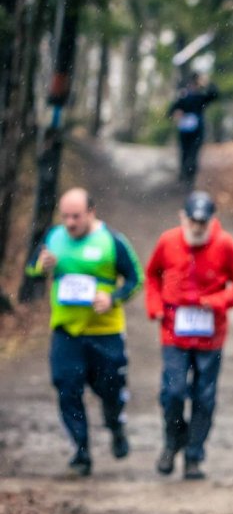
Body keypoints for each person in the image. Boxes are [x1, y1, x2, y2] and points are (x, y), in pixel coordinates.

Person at [24, 188, 143, 477]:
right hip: (66, 331)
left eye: (76, 216)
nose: (70, 223)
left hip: (105, 332)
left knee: (110, 389)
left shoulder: (112, 241)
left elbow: (136, 280)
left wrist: (112, 298)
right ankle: (81, 450)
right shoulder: (53, 237)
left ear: (91, 212)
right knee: (67, 387)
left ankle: (115, 426)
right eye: (65, 216)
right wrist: (42, 267)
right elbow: (30, 271)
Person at [144, 191, 233, 480]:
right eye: (192, 221)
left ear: (212, 221)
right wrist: (155, 306)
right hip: (173, 332)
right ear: (183, 217)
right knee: (173, 392)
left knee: (205, 398)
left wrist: (219, 301)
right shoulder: (168, 241)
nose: (197, 228)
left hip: (210, 335)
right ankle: (173, 440)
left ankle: (194, 456)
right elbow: (152, 275)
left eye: (203, 223)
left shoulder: (224, 244)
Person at [168, 73, 218, 187]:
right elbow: (172, 110)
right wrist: (176, 113)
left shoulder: (200, 97)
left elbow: (214, 95)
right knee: (185, 153)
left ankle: (190, 177)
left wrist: (208, 83)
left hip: (197, 131)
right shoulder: (183, 96)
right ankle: (184, 176)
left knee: (193, 153)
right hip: (185, 131)